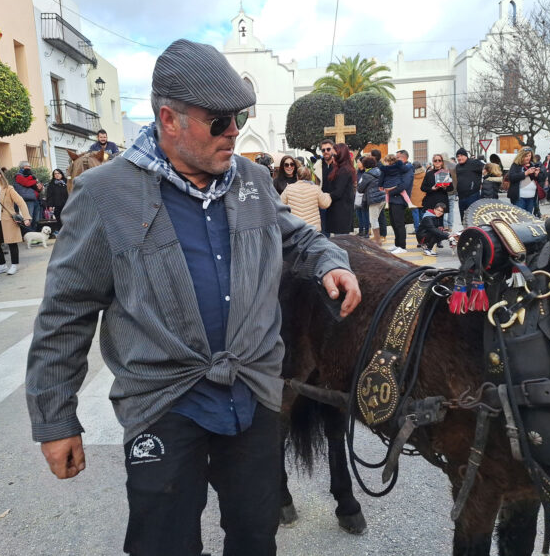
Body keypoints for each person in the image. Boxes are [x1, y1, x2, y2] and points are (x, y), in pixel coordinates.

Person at [25, 38, 361, 556]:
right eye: (219, 121)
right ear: (169, 119)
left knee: (255, 536)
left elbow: (299, 236)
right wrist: (56, 418)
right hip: (164, 402)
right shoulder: (102, 194)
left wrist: (332, 263)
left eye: (239, 118)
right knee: (164, 544)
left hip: (251, 394)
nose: (234, 131)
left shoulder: (250, 181)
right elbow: (65, 314)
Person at [0, 168, 31, 275]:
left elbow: (21, 202)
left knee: (12, 242)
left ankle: (14, 265)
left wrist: (26, 217)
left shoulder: (9, 189)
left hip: (9, 220)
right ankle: (2, 265)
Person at [379, 154, 413, 254]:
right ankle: (397, 244)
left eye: (398, 157)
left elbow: (404, 186)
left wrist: (388, 191)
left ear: (404, 158)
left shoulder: (407, 169)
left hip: (399, 200)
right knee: (394, 223)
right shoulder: (396, 169)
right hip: (393, 200)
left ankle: (402, 246)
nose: (395, 160)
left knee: (399, 224)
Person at [280, 166, 331, 231]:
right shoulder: (315, 189)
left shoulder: (289, 188)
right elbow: (325, 204)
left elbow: (280, 204)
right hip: (312, 228)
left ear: (297, 176)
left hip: (295, 227)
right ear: (310, 177)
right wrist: (327, 195)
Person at [324, 143, 357, 235]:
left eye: (334, 155)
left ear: (341, 156)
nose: (332, 157)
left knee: (341, 241)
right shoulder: (341, 168)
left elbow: (338, 192)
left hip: (341, 211)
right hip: (339, 209)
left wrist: (324, 196)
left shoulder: (344, 170)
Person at [357, 156, 384, 244]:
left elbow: (360, 189)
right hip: (382, 198)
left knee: (373, 220)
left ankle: (378, 240)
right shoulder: (379, 171)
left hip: (374, 199)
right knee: (376, 218)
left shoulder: (367, 175)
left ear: (365, 165)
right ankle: (378, 238)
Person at [507, 147, 544, 213]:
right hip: (519, 197)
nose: (528, 157)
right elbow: (512, 178)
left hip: (532, 196)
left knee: (529, 217)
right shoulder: (516, 165)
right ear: (521, 156)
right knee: (520, 217)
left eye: (530, 155)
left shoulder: (533, 164)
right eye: (526, 156)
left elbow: (540, 180)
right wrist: (526, 173)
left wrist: (536, 174)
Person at [454, 148, 483, 221]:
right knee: (463, 220)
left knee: (473, 219)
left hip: (472, 195)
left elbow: (487, 169)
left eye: (461, 156)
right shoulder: (457, 166)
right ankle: (465, 232)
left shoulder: (474, 162)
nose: (459, 158)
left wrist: (484, 182)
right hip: (461, 197)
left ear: (466, 156)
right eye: (457, 156)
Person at [314, 138, 336, 235]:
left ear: (333, 149)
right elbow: (316, 184)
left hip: (336, 200)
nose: (326, 152)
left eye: (328, 149)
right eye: (323, 150)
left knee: (338, 230)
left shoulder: (338, 165)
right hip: (323, 201)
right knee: (324, 231)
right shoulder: (317, 165)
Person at [13, 162, 43, 232]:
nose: (30, 168)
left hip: (35, 199)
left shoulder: (31, 176)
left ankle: (34, 235)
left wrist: (40, 188)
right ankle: (29, 235)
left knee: (36, 219)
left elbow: (35, 187)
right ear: (22, 167)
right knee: (28, 219)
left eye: (30, 166)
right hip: (27, 200)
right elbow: (26, 183)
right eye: (28, 166)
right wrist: (35, 180)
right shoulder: (18, 176)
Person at [370, 148, 388, 239]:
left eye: (371, 155)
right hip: (378, 193)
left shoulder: (379, 167)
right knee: (378, 215)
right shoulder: (377, 165)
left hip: (379, 193)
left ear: (374, 156)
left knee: (380, 215)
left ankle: (383, 235)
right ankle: (379, 234)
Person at [409, 160, 426, 236]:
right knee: (422, 215)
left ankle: (417, 230)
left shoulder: (410, 175)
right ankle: (424, 230)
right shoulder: (425, 174)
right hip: (423, 197)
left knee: (415, 215)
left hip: (413, 198)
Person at [354, 158, 370, 237]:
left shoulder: (367, 173)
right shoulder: (357, 172)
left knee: (365, 215)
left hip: (364, 197)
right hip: (357, 196)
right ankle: (361, 231)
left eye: (358, 162)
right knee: (359, 214)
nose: (357, 163)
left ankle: (367, 232)